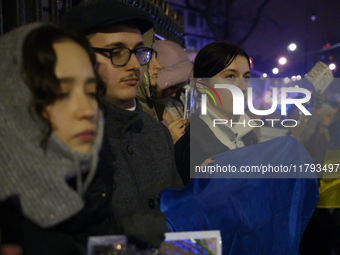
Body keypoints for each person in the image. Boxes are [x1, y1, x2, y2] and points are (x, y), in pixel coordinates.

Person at [0, 23, 119, 255]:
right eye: (60, 94)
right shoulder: (11, 229)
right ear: (12, 104)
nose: (87, 110)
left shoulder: (93, 187)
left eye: (92, 92)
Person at [61, 0, 183, 222]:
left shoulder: (156, 133)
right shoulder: (56, 140)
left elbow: (179, 216)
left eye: (138, 52)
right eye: (117, 52)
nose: (135, 65)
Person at [175, 42, 258, 184]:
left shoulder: (249, 136)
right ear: (202, 86)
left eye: (246, 77)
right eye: (230, 77)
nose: (243, 87)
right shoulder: (188, 149)